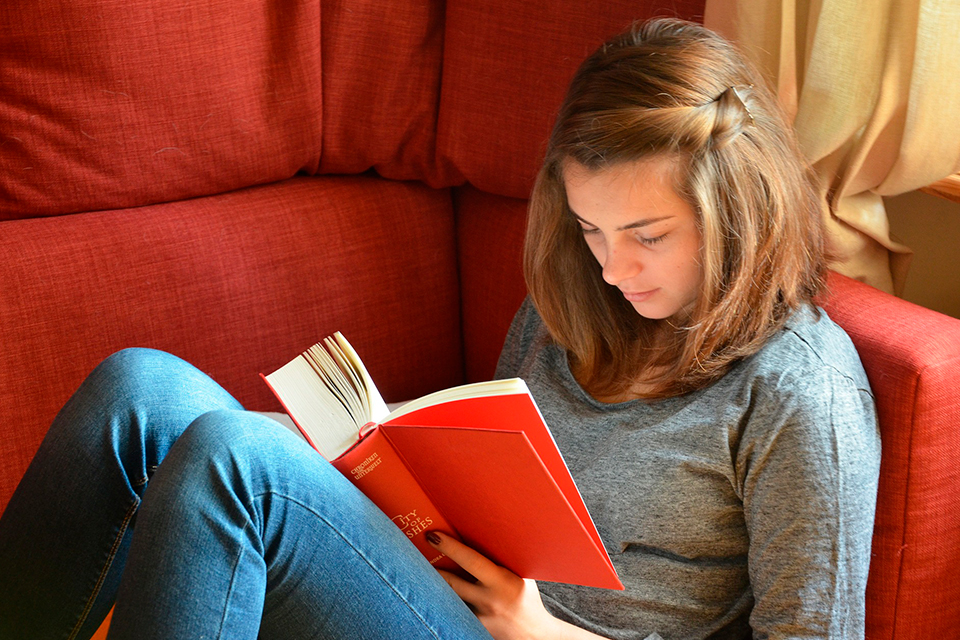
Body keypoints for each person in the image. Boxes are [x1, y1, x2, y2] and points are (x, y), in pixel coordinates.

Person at [0, 17, 880, 640]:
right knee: (140, 390)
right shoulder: (576, 301)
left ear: (736, 209)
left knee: (234, 463)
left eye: (647, 237)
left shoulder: (802, 390)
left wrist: (537, 630)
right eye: (590, 230)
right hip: (434, 599)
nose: (613, 269)